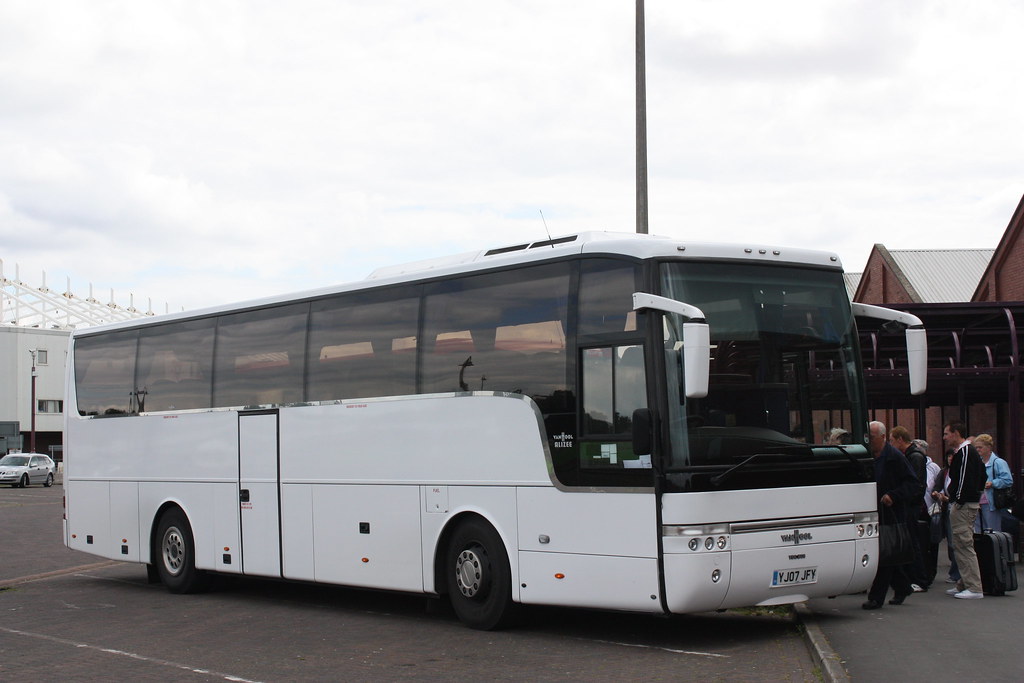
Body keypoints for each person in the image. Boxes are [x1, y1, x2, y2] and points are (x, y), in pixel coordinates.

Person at [863, 421, 920, 610]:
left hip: (890, 513)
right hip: (874, 512)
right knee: (886, 553)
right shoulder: (869, 456)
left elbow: (913, 483)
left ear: (882, 437)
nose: (868, 440)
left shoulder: (894, 457)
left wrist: (893, 496)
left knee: (883, 555)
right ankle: (903, 587)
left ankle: (876, 597)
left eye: (871, 437)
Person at [941, 421, 986, 600]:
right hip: (966, 502)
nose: (944, 437)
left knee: (964, 544)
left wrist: (958, 499)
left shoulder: (966, 452)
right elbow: (982, 475)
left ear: (956, 433)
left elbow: (963, 479)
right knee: (960, 545)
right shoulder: (968, 452)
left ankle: (974, 587)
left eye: (947, 433)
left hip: (963, 504)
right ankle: (964, 582)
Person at [888, 426, 930, 591]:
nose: (890, 444)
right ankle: (911, 578)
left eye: (892, 440)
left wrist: (904, 498)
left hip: (911, 506)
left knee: (912, 542)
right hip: (909, 505)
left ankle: (919, 579)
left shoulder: (915, 457)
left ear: (900, 439)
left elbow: (916, 485)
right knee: (908, 542)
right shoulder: (911, 456)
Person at [973, 433, 1013, 534]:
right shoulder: (978, 463)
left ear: (989, 447)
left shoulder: (998, 462)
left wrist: (993, 483)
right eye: (976, 447)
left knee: (993, 531)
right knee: (978, 531)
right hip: (977, 502)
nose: (978, 450)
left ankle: (994, 549)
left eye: (980, 447)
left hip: (991, 502)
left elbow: (1008, 480)